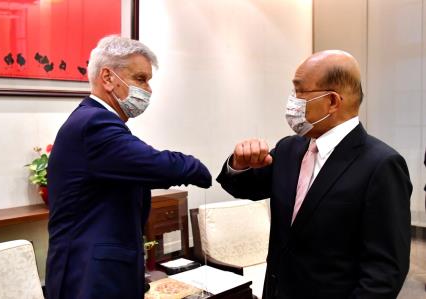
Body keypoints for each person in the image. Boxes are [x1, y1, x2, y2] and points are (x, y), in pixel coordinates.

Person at [217, 50, 412, 299]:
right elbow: (245, 188)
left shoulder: (381, 164)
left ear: (332, 101)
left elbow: (384, 271)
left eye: (299, 91)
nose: (292, 100)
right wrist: (239, 163)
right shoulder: (290, 148)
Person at [45, 35, 212, 299]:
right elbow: (157, 165)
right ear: (108, 78)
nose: (148, 90)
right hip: (89, 278)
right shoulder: (94, 124)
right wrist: (198, 168)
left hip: (105, 273)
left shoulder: (94, 120)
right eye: (140, 79)